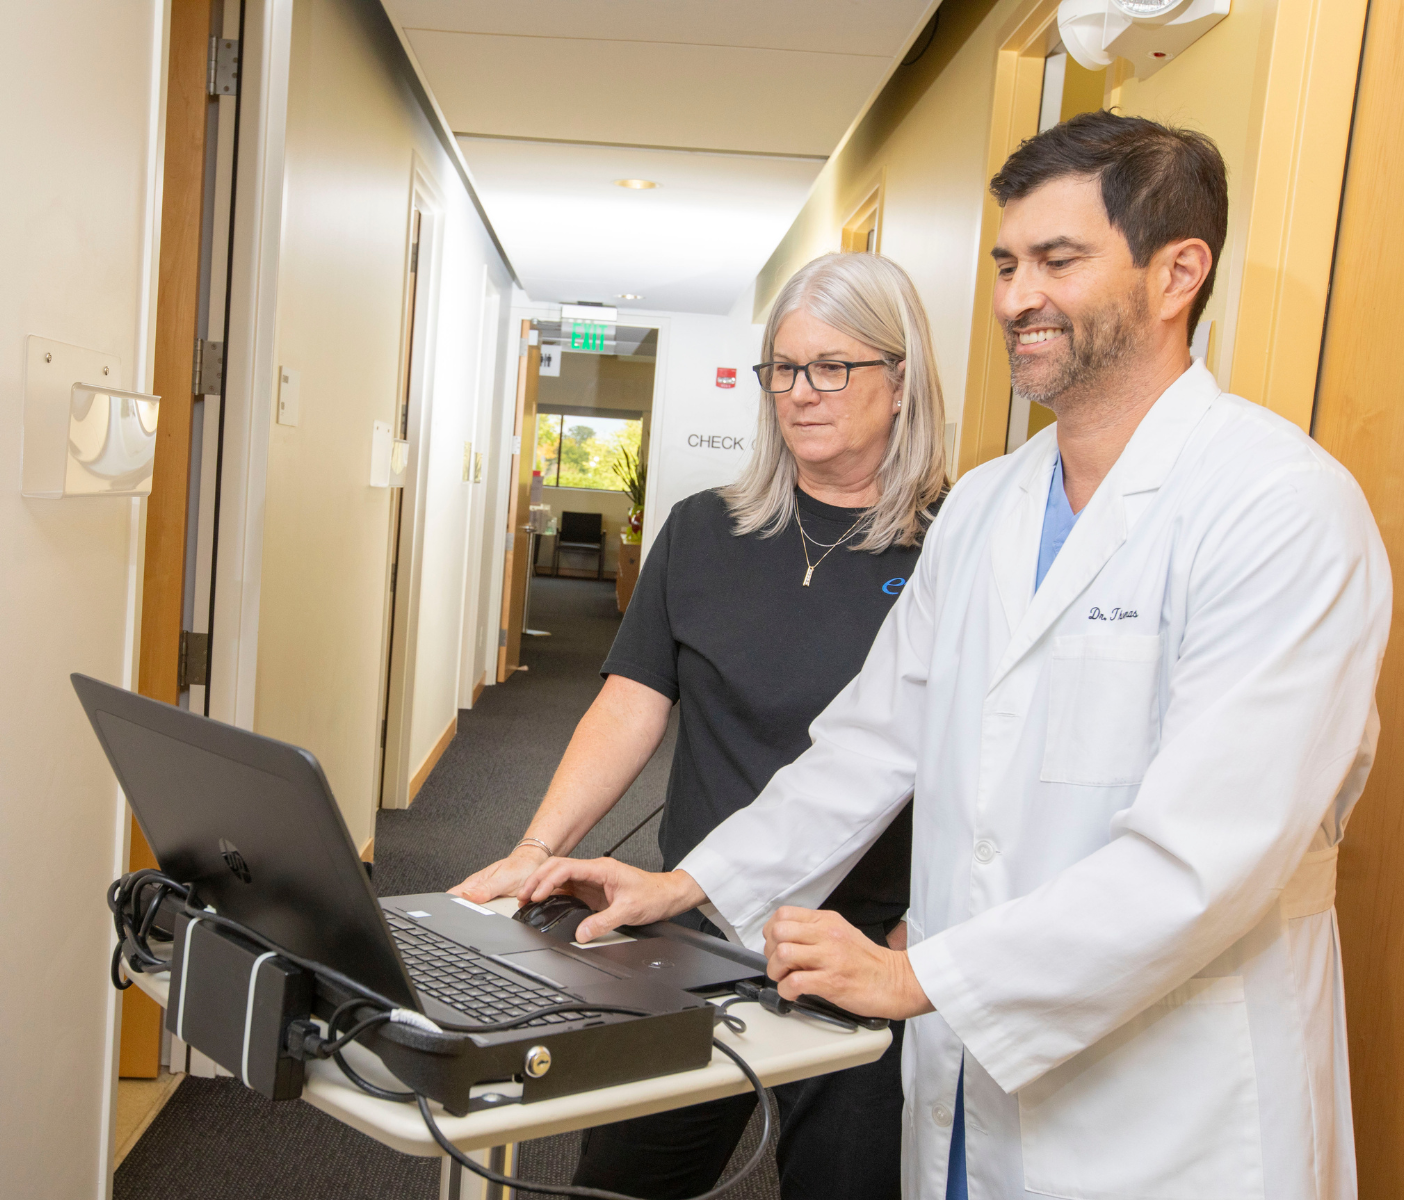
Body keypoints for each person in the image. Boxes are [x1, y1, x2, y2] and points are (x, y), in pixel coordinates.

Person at [519, 112, 1391, 1200]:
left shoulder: (1278, 509)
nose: (1018, 296)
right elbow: (868, 746)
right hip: (971, 1068)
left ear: (1178, 274)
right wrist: (685, 883)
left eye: (1059, 261)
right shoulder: (986, 507)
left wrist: (916, 972)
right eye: (1007, 262)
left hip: (1168, 1097)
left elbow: (1204, 859)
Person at [452, 251, 949, 1199]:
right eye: (782, 369)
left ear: (901, 376)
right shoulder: (706, 528)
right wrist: (538, 844)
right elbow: (631, 703)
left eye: (831, 366)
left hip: (867, 946)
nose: (800, 393)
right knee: (626, 1179)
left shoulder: (956, 546)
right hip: (694, 923)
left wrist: (924, 942)